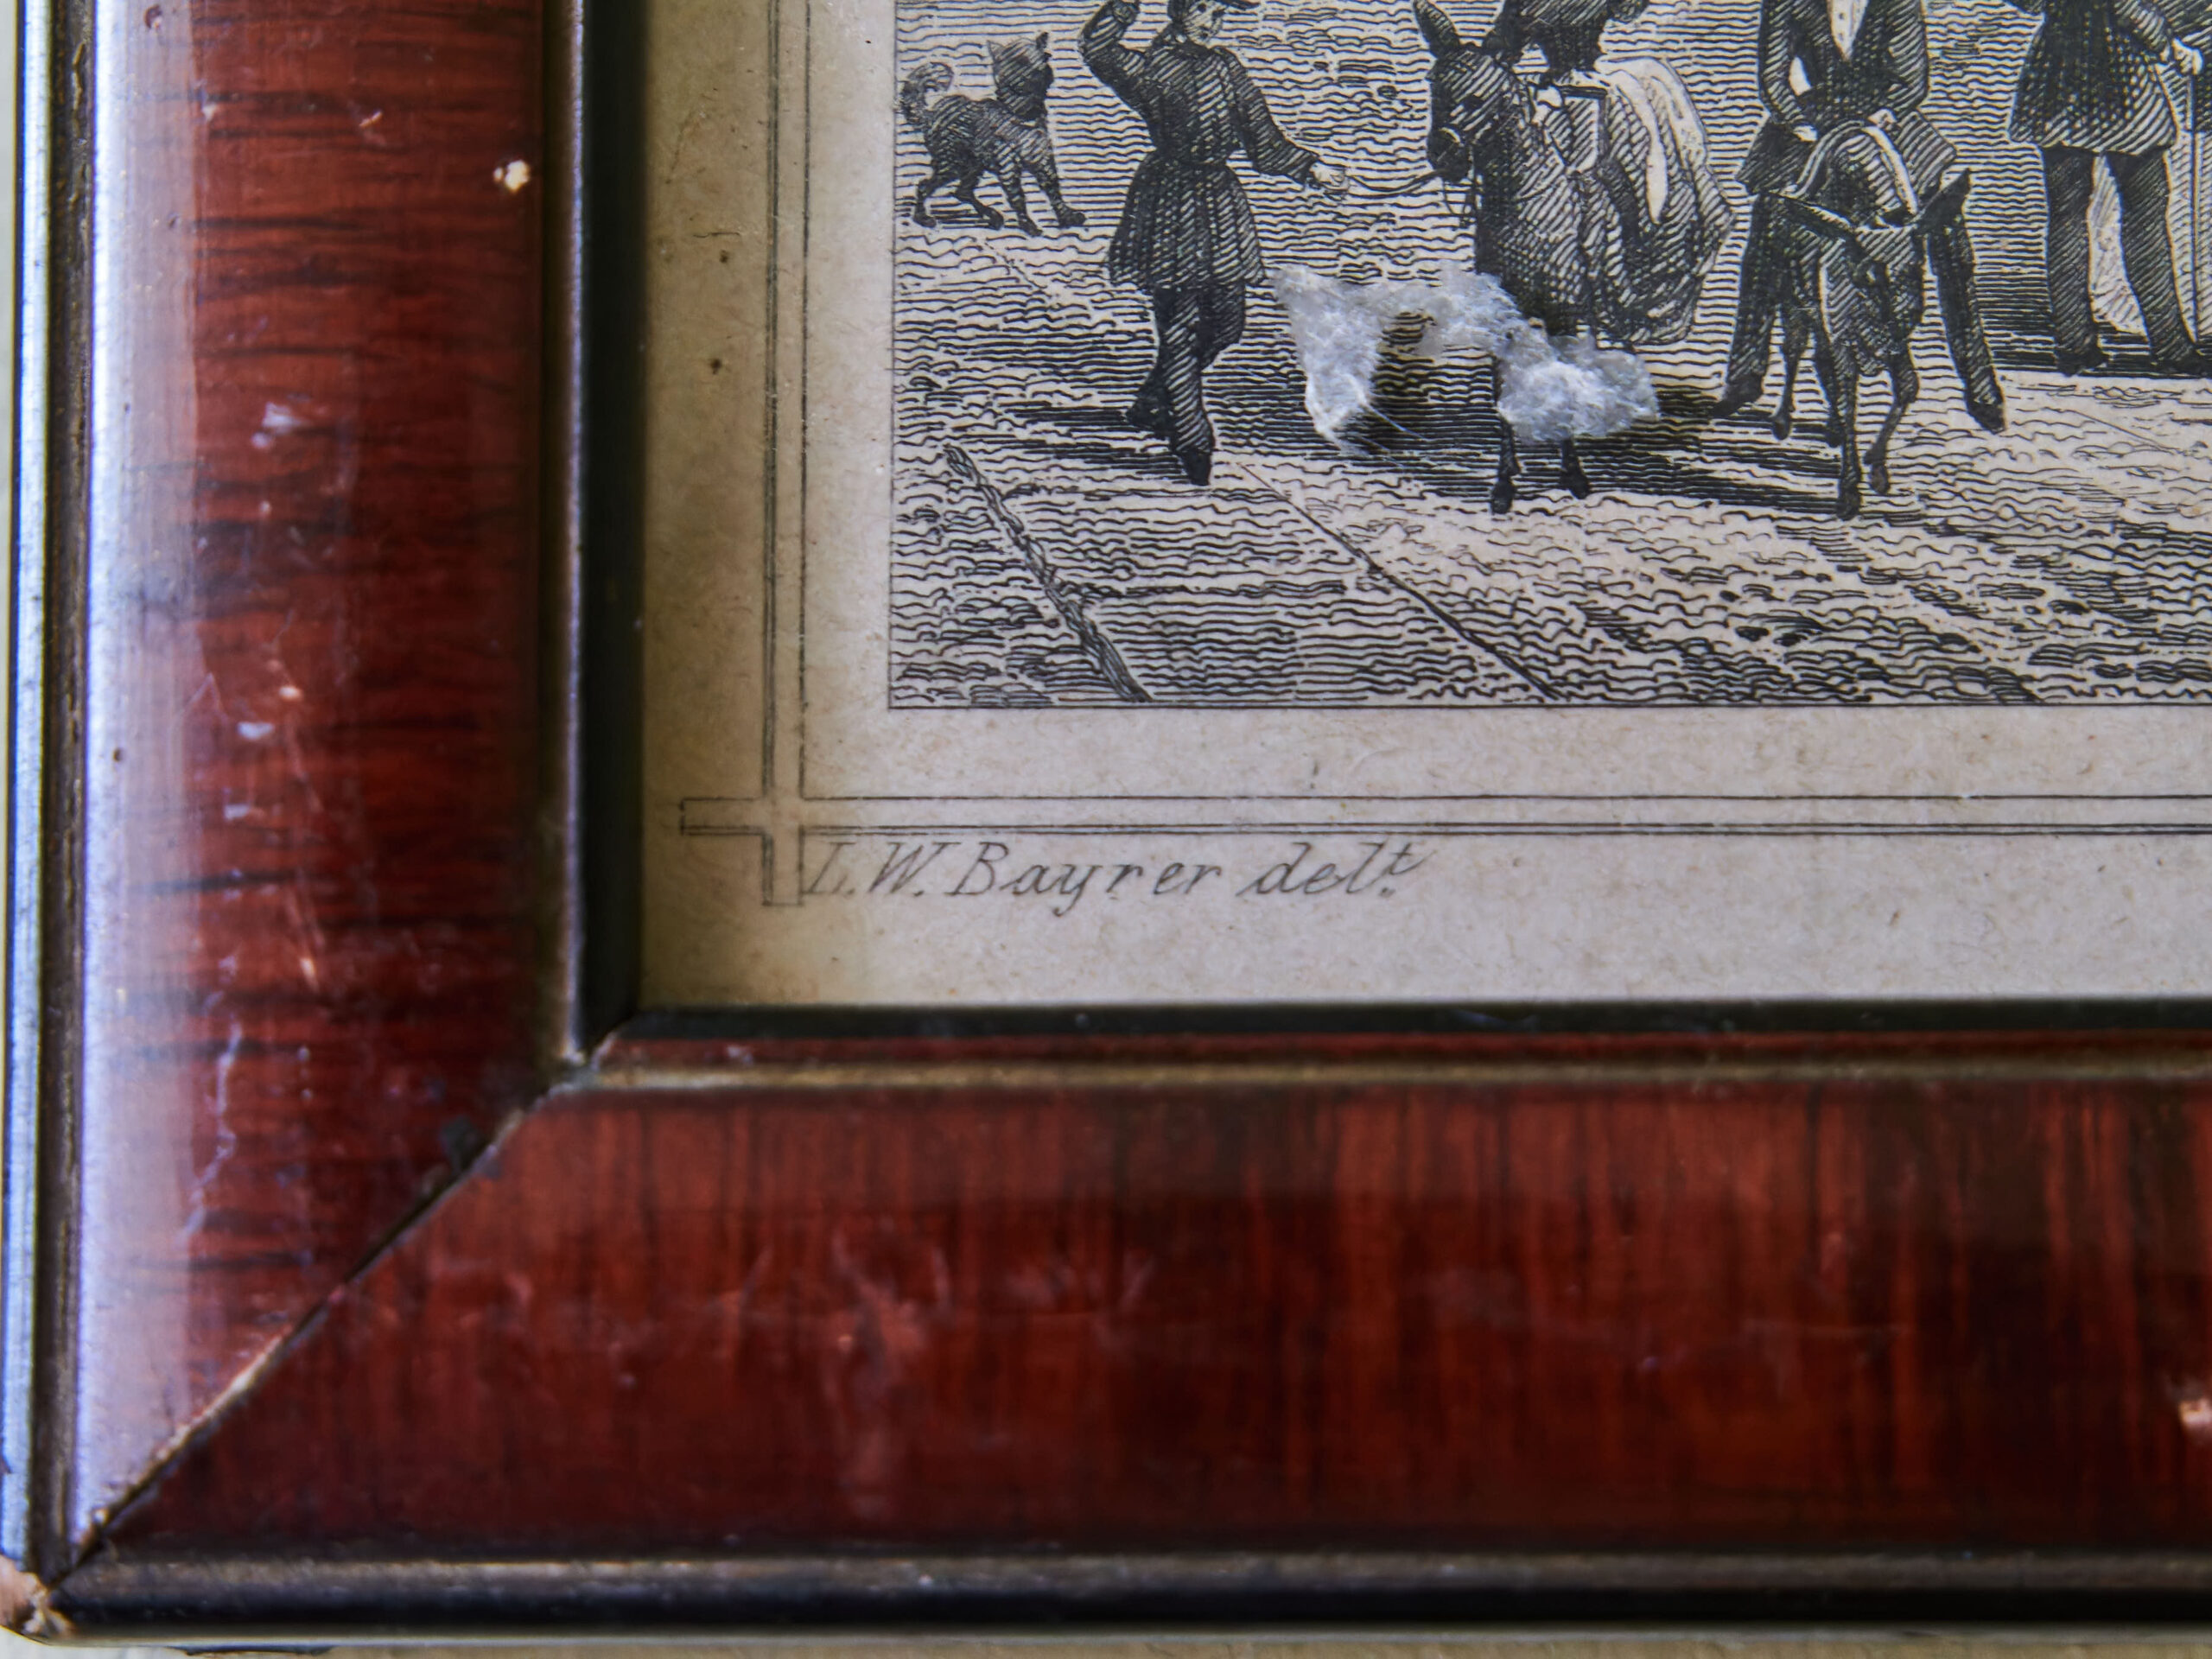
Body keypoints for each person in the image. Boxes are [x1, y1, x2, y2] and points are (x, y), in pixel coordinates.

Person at [1082, 0, 1345, 485]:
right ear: (1178, 10)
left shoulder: (1226, 66)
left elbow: (1263, 141)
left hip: (1220, 201)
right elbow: (1095, 47)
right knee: (1180, 325)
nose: (1211, 21)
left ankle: (1155, 397)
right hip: (1169, 200)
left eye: (1220, 12)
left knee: (1227, 324)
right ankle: (1191, 438)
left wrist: (1311, 167)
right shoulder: (1149, 65)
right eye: (1201, 8)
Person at [1714, 0, 2007, 432]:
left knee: (1947, 231)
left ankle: (1979, 381)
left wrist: (1884, 116)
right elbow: (1773, 80)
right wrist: (1801, 125)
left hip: (1887, 124)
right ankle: (1745, 371)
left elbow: (1912, 80)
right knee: (1767, 226)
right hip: (1812, 124)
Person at [2008, 0, 2209, 372]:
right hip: (2122, 78)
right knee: (2145, 218)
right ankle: (2169, 347)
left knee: (2066, 217)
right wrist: (2169, 47)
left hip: (2058, 72)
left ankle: (2074, 344)